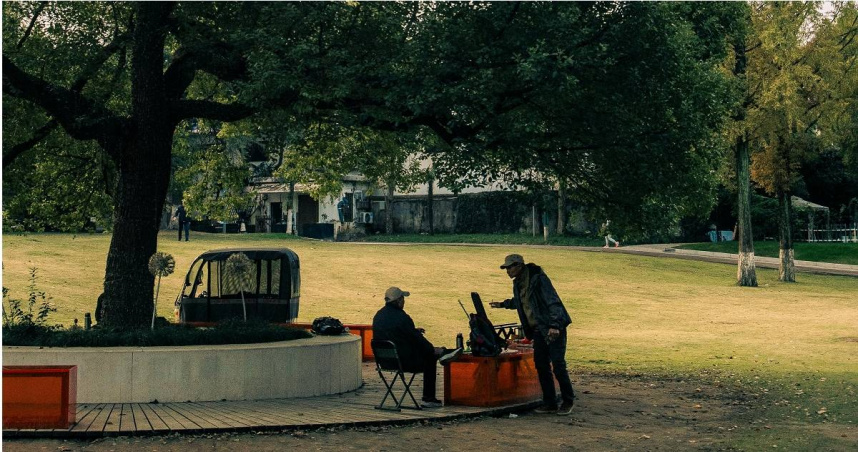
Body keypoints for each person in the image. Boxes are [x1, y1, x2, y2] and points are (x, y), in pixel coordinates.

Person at [490, 254, 576, 415]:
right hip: (538, 330)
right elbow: (521, 301)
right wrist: (502, 304)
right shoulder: (518, 283)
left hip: (552, 328)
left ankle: (568, 400)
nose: (507, 270)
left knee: (558, 365)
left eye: (510, 267)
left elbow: (553, 301)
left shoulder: (538, 279)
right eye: (506, 268)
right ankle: (550, 403)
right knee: (541, 365)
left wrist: (555, 325)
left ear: (519, 266)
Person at [372, 286, 463, 408]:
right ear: (399, 301)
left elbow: (395, 334)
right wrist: (431, 349)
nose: (404, 302)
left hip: (385, 362)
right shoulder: (402, 317)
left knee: (430, 352)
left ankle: (444, 353)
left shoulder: (378, 316)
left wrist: (414, 331)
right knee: (430, 357)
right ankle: (428, 398)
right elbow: (417, 340)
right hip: (404, 362)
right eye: (403, 299)